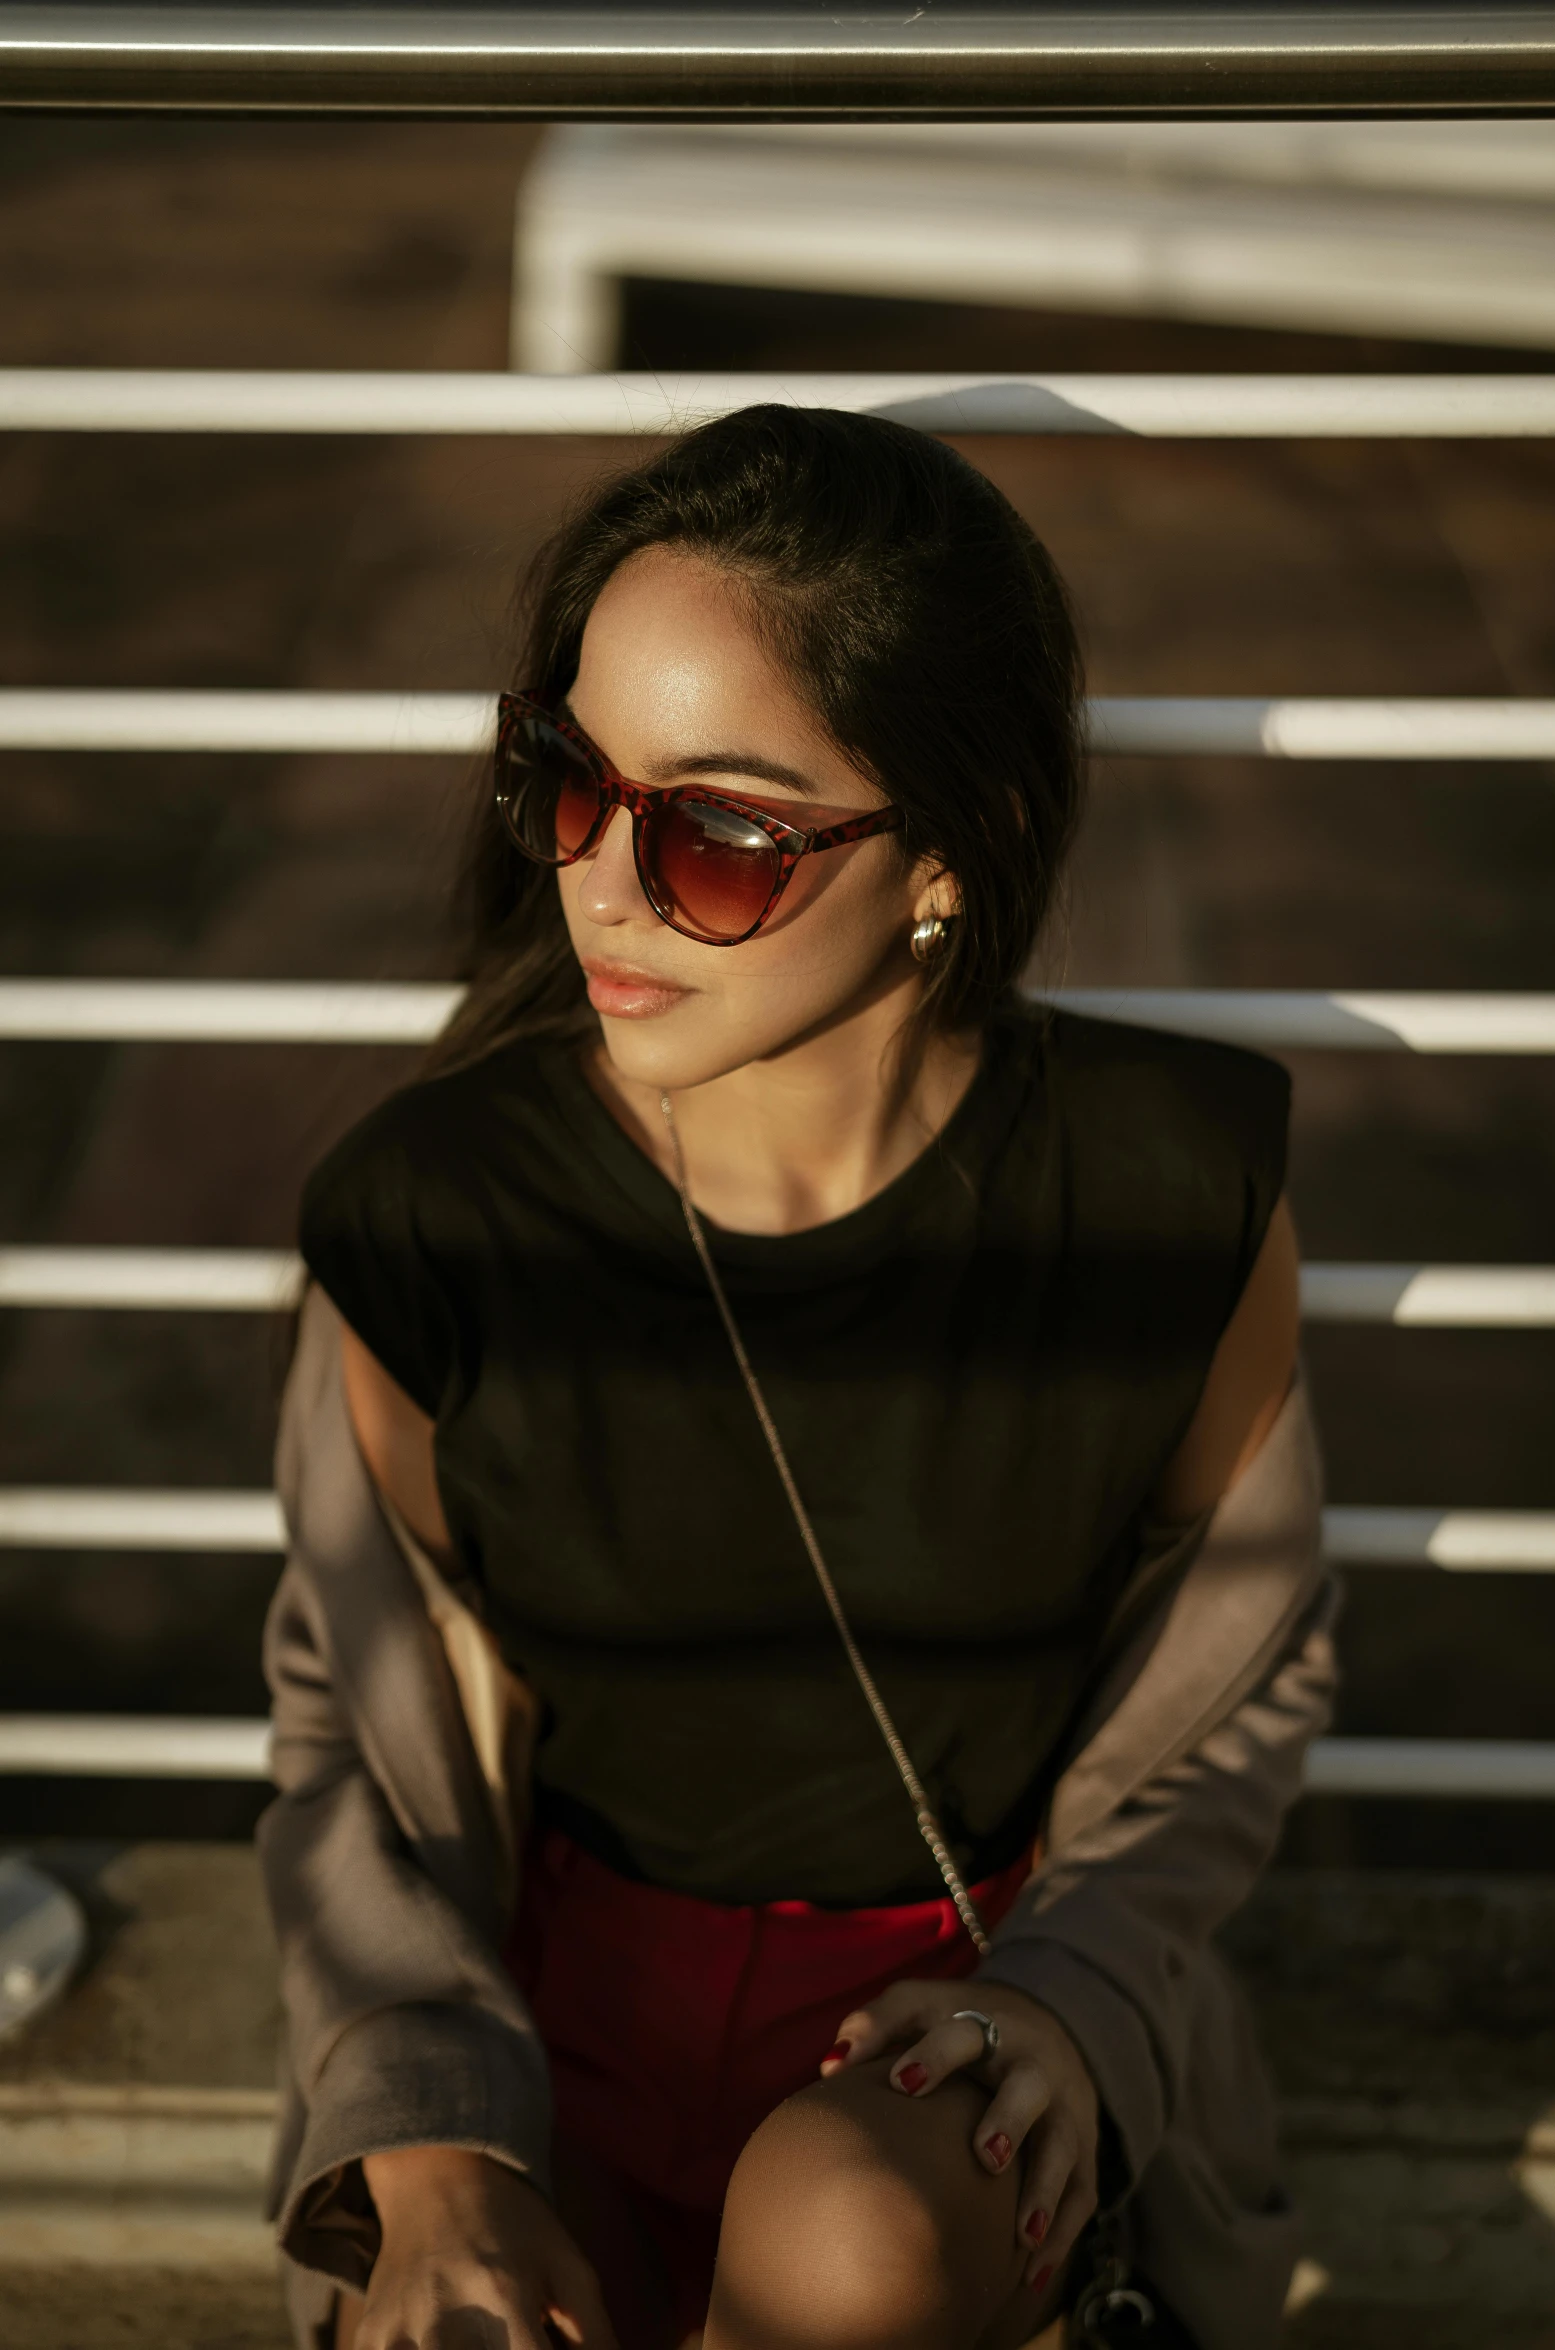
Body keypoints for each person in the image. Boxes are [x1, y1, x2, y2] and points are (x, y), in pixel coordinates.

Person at [260, 407, 1334, 2350]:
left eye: (721, 831)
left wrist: (1075, 1994)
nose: (602, 882)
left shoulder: (1172, 1196)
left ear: (955, 849)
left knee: (844, 2230)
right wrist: (422, 2147)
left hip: (956, 2048)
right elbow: (350, 1716)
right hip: (549, 2029)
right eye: (569, 782)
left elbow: (1239, 1683)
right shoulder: (437, 1222)